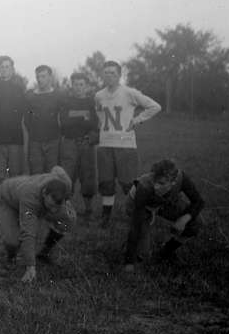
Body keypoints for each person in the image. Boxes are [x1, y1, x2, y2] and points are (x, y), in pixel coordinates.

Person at [94, 60, 162, 228]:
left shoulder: (129, 92)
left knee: (128, 183)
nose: (109, 76)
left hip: (125, 145)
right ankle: (106, 217)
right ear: (103, 75)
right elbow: (99, 115)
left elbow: (155, 106)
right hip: (105, 144)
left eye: (113, 73)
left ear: (119, 75)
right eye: (106, 72)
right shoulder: (99, 95)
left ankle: (141, 212)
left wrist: (137, 120)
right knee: (106, 182)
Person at [0, 165, 77, 283]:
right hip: (7, 200)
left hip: (32, 197)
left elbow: (57, 169)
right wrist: (30, 266)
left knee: (69, 219)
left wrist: (55, 209)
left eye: (56, 207)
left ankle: (44, 252)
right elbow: (29, 232)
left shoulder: (65, 185)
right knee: (12, 241)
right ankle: (11, 256)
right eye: (51, 206)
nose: (52, 211)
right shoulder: (30, 196)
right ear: (45, 193)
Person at [123, 159, 204, 271]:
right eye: (155, 181)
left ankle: (165, 251)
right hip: (141, 205)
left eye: (161, 183)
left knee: (195, 223)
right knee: (142, 254)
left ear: (174, 181)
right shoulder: (144, 187)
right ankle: (133, 248)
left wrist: (184, 220)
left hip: (164, 202)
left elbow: (199, 201)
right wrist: (129, 263)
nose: (156, 186)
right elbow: (135, 227)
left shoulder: (181, 178)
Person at [59, 73, 100, 221]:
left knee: (88, 175)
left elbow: (94, 125)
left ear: (87, 86)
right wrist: (83, 117)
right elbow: (64, 123)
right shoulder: (66, 102)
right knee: (67, 175)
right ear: (72, 85)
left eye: (81, 84)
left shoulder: (92, 102)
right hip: (69, 142)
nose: (78, 87)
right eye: (76, 84)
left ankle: (88, 210)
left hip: (87, 142)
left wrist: (75, 117)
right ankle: (67, 211)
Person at [0, 55, 28, 187]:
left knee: (16, 174)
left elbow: (25, 113)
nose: (5, 69)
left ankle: (15, 205)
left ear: (12, 69)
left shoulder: (19, 88)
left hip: (16, 137)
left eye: (8, 67)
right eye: (2, 67)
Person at [25, 65, 63, 175]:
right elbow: (27, 119)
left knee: (52, 173)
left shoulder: (58, 95)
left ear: (50, 77)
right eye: (38, 77)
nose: (40, 79)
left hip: (53, 141)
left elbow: (62, 118)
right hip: (35, 142)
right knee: (36, 174)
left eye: (43, 76)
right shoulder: (30, 96)